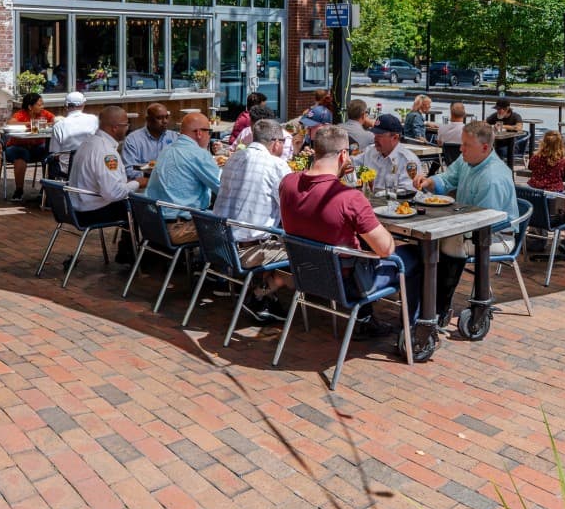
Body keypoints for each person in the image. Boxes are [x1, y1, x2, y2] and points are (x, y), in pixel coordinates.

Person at [279, 125, 424, 351]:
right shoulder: (349, 198)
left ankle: (366, 320)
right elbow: (386, 249)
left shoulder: (287, 183)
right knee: (415, 255)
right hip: (349, 284)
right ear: (344, 155)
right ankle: (413, 329)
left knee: (357, 246)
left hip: (306, 274)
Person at [413, 121, 519, 327]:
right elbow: (448, 177)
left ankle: (438, 308)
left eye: (466, 145)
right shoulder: (467, 160)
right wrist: (429, 182)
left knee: (447, 244)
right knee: (429, 242)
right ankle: (424, 301)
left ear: (485, 148)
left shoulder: (492, 178)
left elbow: (484, 223)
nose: (460, 149)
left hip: (496, 237)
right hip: (469, 227)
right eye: (462, 143)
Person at [213, 118, 291, 322]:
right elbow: (292, 209)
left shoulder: (233, 158)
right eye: (283, 142)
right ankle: (259, 294)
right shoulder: (277, 165)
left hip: (221, 245)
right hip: (247, 250)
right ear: (275, 142)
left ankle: (265, 300)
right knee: (305, 254)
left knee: (270, 233)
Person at [146, 112, 221, 242]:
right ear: (199, 133)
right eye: (209, 131)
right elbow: (225, 189)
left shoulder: (167, 150)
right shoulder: (199, 154)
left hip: (154, 226)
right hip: (179, 228)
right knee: (235, 229)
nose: (210, 136)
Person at [68, 105, 148, 224]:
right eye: (126, 124)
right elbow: (113, 193)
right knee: (144, 207)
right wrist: (138, 182)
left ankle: (129, 241)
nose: (127, 128)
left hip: (76, 208)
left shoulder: (88, 142)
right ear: (115, 128)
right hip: (90, 212)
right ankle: (132, 243)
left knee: (134, 202)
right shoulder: (106, 151)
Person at [5, 93, 55, 201]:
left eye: (42, 104)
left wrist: (47, 124)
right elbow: (11, 123)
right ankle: (19, 190)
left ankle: (46, 189)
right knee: (21, 154)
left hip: (36, 147)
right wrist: (29, 123)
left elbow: (56, 121)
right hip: (17, 146)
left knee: (50, 155)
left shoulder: (44, 114)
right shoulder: (21, 114)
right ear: (30, 107)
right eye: (39, 105)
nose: (42, 107)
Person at [355, 114, 421, 193]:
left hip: (393, 203)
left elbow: (407, 192)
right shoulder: (370, 151)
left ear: (395, 137)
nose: (375, 139)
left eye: (380, 136)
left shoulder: (408, 161)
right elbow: (352, 164)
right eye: (375, 134)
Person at [527, 130, 565, 224]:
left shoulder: (535, 158)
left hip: (534, 199)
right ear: (560, 145)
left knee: (563, 196)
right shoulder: (561, 162)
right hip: (553, 208)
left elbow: (530, 166)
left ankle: (536, 233)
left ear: (543, 143)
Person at [121, 103, 177, 179]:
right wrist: (154, 176)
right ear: (148, 120)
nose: (165, 121)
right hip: (144, 187)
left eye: (166, 117)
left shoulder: (175, 137)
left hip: (170, 185)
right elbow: (129, 170)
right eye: (159, 118)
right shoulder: (133, 139)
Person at [48, 92, 98, 173]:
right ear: (83, 104)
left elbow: (56, 154)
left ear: (66, 106)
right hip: (92, 167)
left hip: (68, 170)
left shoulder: (59, 125)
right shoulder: (94, 120)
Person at [486, 97, 528, 161]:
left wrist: (503, 126)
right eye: (497, 109)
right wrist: (490, 126)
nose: (498, 111)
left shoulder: (515, 116)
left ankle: (503, 169)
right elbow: (484, 123)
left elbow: (519, 128)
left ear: (507, 109)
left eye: (499, 109)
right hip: (496, 143)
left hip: (512, 145)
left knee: (498, 151)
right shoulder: (495, 115)